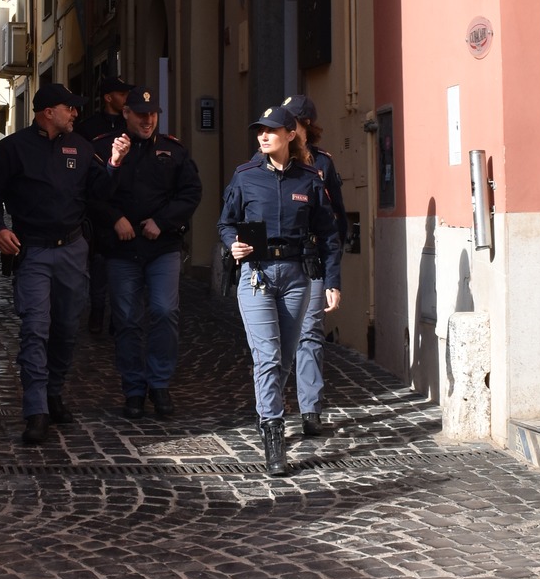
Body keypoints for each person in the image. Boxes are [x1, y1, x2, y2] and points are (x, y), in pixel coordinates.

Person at [0, 80, 109, 444]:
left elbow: (102, 193)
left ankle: (53, 392)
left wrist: (114, 164)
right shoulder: (12, 148)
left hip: (73, 250)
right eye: (70, 108)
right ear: (49, 112)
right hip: (32, 252)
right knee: (35, 329)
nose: (75, 113)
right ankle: (36, 410)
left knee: (66, 328)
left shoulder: (82, 147)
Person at [219, 105, 341, 477]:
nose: (263, 136)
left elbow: (330, 234)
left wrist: (332, 281)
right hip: (256, 275)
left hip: (296, 277)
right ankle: (273, 431)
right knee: (268, 356)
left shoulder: (309, 179)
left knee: (286, 356)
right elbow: (225, 223)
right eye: (260, 130)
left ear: (290, 135)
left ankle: (268, 412)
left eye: (271, 130)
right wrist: (232, 244)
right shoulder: (245, 176)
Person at [91, 84, 202, 420]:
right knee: (126, 320)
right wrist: (115, 217)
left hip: (161, 246)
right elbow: (92, 195)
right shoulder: (103, 148)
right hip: (122, 249)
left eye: (152, 114)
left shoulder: (173, 150)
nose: (148, 120)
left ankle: (160, 383)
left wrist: (162, 222)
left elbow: (190, 193)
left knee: (165, 312)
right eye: (141, 114)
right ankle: (134, 389)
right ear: (126, 114)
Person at [281, 93, 351, 439]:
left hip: (312, 262)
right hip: (278, 262)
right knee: (278, 338)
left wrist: (332, 275)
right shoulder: (265, 160)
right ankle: (271, 407)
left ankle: (310, 409)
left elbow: (336, 222)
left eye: (290, 122)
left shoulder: (323, 163)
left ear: (305, 126)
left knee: (309, 333)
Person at [77, 74, 130, 333]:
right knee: (99, 264)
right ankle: (97, 313)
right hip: (98, 207)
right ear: (108, 97)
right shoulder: (88, 128)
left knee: (123, 267)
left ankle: (116, 320)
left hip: (125, 204)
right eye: (122, 94)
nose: (126, 98)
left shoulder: (130, 124)